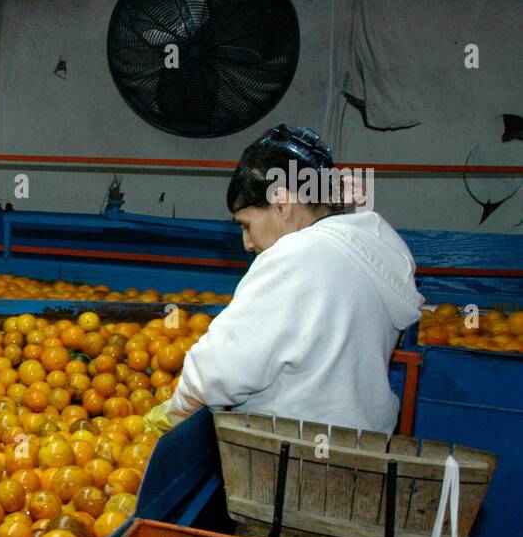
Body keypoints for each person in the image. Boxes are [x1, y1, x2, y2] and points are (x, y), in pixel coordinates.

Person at [144, 124, 424, 435]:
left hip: (294, 457)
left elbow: (218, 368)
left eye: (247, 224)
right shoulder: (370, 247)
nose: (247, 243)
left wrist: (175, 412)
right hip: (361, 448)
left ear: (281, 203)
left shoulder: (294, 257)